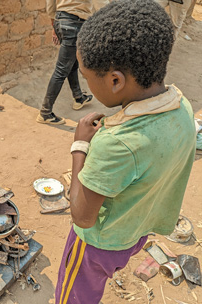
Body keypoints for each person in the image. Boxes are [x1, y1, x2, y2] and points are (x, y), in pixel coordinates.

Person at [56, 0, 196, 303]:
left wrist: (80, 146)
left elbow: (81, 216)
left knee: (74, 295)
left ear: (115, 80)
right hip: (135, 233)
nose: (86, 83)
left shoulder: (117, 142)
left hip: (97, 245)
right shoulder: (183, 109)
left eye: (86, 75)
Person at [36, 0, 96, 125]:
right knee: (61, 70)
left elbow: (50, 3)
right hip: (75, 23)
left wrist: (54, 22)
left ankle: (78, 97)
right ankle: (45, 113)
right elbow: (101, 3)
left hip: (60, 20)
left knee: (71, 63)